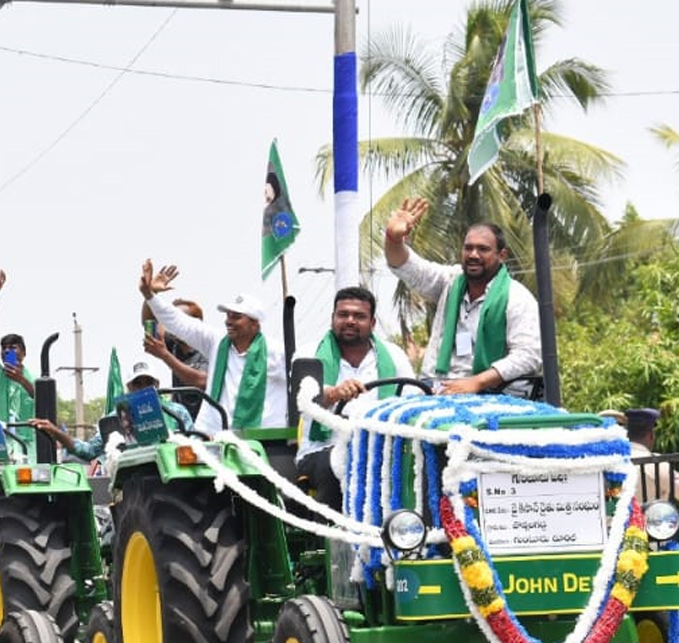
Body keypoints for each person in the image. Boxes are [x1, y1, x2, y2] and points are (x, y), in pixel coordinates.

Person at [385, 197, 541, 395]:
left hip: (494, 394)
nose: (473, 255)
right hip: (437, 389)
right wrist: (393, 239)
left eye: (483, 249)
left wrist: (477, 382)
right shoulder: (450, 282)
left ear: (502, 256)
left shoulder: (517, 297)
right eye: (468, 248)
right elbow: (406, 267)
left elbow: (528, 355)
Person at [294, 286, 415, 511]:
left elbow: (413, 402)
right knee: (342, 462)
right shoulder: (308, 354)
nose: (350, 321)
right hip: (323, 448)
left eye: (359, 316)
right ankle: (335, 541)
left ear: (372, 323)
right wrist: (333, 393)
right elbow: (304, 400)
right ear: (333, 319)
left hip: (382, 446)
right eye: (343, 315)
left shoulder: (394, 355)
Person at [139, 258, 287, 433]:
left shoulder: (277, 352)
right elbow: (174, 320)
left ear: (255, 323)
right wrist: (149, 295)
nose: (228, 321)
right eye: (228, 315)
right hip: (214, 435)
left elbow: (305, 386)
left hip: (263, 439)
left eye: (236, 317)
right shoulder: (216, 342)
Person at [29, 357, 193, 462]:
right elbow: (89, 450)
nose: (143, 388)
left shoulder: (177, 412)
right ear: (129, 387)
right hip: (132, 478)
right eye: (138, 383)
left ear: (156, 385)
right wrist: (57, 432)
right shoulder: (115, 419)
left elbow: (194, 444)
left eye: (148, 382)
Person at [0, 270, 36, 423]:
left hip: (28, 444)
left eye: (13, 347)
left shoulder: (35, 379)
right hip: (3, 442)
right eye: (4, 348)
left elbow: (43, 401)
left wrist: (22, 380)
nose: (7, 351)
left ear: (24, 353)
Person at [142, 297, 208, 420]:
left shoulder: (208, 347)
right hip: (182, 422)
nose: (173, 325)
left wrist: (165, 355)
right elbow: (149, 323)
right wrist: (150, 295)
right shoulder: (174, 344)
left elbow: (200, 381)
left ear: (196, 322)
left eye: (178, 320)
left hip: (208, 425)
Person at [626, 407, 673, 502]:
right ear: (651, 434)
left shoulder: (610, 461)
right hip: (648, 516)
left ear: (627, 434)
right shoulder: (658, 464)